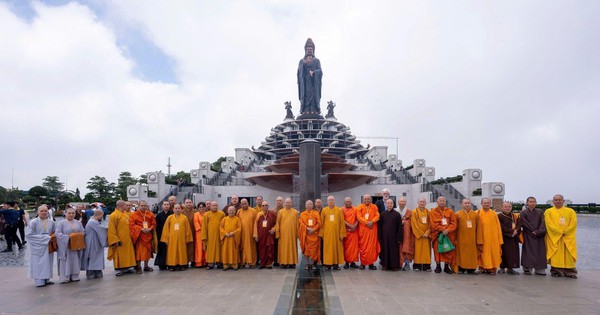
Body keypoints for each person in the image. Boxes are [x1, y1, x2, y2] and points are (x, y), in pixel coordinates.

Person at [545, 194, 577, 279]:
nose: (558, 201)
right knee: (556, 254)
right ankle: (556, 270)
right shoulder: (548, 211)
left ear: (563, 201)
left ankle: (570, 272)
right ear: (553, 201)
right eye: (556, 200)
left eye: (559, 199)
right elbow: (548, 224)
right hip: (555, 237)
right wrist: (559, 232)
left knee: (568, 254)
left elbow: (574, 223)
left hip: (567, 237)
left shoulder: (570, 211)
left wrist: (566, 232)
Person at [26, 205, 55, 287]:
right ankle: (39, 281)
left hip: (48, 245)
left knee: (48, 262)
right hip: (37, 246)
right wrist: (45, 238)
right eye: (41, 211)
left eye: (45, 211)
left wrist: (51, 238)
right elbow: (29, 235)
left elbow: (54, 232)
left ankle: (47, 279)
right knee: (38, 263)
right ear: (37, 212)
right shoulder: (33, 222)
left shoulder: (51, 222)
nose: (43, 213)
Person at [107, 200, 136, 276]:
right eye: (125, 205)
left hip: (128, 238)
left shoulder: (126, 214)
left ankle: (127, 267)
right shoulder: (114, 215)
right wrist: (115, 240)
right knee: (119, 254)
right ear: (121, 206)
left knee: (128, 253)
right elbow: (111, 229)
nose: (127, 207)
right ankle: (119, 269)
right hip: (119, 239)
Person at [55, 207, 84, 283]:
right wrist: (68, 237)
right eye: (69, 213)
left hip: (75, 246)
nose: (71, 215)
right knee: (65, 261)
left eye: (73, 213)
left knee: (75, 260)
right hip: (65, 246)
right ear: (65, 214)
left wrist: (77, 237)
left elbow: (83, 232)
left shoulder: (78, 222)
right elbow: (57, 233)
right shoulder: (61, 223)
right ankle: (65, 277)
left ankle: (75, 276)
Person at [429, 196, 457, 274]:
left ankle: (446, 267)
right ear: (437, 202)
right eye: (440, 201)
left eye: (443, 201)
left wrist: (448, 230)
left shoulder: (450, 211)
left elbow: (454, 223)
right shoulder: (433, 212)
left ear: (445, 202)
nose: (442, 202)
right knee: (437, 250)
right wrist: (442, 229)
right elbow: (433, 224)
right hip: (437, 234)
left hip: (448, 234)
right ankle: (438, 266)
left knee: (447, 250)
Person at [161, 204, 193, 271]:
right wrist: (166, 239)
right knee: (172, 252)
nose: (177, 210)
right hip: (172, 239)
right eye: (176, 208)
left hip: (182, 238)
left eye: (179, 208)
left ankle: (182, 264)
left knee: (182, 252)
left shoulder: (184, 217)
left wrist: (187, 238)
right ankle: (172, 265)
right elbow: (166, 229)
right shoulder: (170, 218)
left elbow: (188, 229)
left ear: (181, 210)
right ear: (173, 209)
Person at [520, 196, 547, 275]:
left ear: (536, 203)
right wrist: (532, 231)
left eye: (534, 202)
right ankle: (527, 268)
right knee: (528, 252)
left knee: (540, 252)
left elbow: (543, 223)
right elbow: (524, 223)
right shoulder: (523, 212)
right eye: (530, 202)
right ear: (527, 203)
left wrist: (539, 231)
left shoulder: (540, 212)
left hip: (539, 235)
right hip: (528, 235)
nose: (532, 203)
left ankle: (540, 269)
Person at [477, 198, 503, 275]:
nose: (486, 204)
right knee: (482, 252)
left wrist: (499, 239)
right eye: (485, 203)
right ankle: (481, 267)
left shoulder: (494, 214)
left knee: (493, 253)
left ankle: (492, 268)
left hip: (492, 238)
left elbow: (498, 227)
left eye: (488, 203)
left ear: (490, 204)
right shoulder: (477, 213)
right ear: (481, 203)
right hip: (481, 237)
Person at [319, 196, 346, 270]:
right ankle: (328, 265)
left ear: (335, 201)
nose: (331, 201)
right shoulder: (324, 210)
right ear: (327, 202)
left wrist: (341, 234)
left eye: (332, 200)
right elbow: (321, 222)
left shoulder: (339, 210)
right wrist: (321, 234)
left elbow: (342, 223)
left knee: (336, 249)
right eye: (329, 200)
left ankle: (336, 265)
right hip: (327, 234)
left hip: (337, 234)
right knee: (328, 250)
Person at [129, 200, 156, 273]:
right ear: (139, 206)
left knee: (147, 252)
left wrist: (150, 229)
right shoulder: (134, 215)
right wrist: (141, 229)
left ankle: (146, 266)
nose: (144, 207)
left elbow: (154, 223)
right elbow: (132, 225)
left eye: (145, 206)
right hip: (139, 235)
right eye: (142, 206)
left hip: (148, 235)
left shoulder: (150, 214)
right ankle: (138, 267)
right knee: (139, 252)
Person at [297, 38, 323, 115]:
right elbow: (299, 73)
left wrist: (314, 72)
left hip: (314, 83)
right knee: (306, 95)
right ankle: (305, 109)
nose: (309, 50)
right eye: (308, 49)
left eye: (311, 49)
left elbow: (320, 71)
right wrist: (303, 65)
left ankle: (314, 108)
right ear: (305, 50)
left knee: (313, 95)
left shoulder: (317, 61)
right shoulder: (301, 61)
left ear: (313, 50)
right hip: (305, 82)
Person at [455, 199, 480, 274]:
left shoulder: (475, 214)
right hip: (461, 238)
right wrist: (455, 238)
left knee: (472, 254)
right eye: (465, 203)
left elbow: (479, 227)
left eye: (468, 203)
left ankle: (471, 269)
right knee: (461, 253)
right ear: (462, 204)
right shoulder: (457, 214)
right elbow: (455, 227)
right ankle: (461, 268)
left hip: (472, 238)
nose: (467, 204)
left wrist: (478, 238)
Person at [82, 209, 108, 280]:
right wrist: (110, 229)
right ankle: (91, 274)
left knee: (96, 258)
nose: (102, 217)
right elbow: (102, 230)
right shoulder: (92, 222)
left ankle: (97, 272)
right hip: (92, 243)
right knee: (92, 258)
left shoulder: (93, 221)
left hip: (95, 242)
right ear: (99, 215)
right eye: (102, 216)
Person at [356, 195, 380, 270]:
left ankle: (371, 263)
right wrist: (366, 223)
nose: (367, 200)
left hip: (372, 228)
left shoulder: (374, 206)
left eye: (368, 199)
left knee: (371, 247)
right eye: (365, 199)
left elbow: (377, 215)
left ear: (371, 200)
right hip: (363, 229)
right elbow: (359, 217)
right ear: (363, 200)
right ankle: (362, 263)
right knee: (363, 246)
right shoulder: (359, 207)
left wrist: (372, 221)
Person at [379, 199, 402, 271]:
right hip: (384, 237)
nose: (389, 205)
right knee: (384, 251)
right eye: (388, 203)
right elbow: (379, 226)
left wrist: (399, 238)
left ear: (393, 204)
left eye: (391, 203)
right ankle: (385, 265)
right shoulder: (382, 214)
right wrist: (380, 236)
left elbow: (399, 227)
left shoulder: (397, 214)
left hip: (394, 237)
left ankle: (394, 266)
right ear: (386, 204)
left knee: (394, 251)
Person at [498, 202, 521, 275]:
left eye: (509, 206)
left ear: (511, 207)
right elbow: (501, 227)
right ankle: (502, 268)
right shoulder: (499, 216)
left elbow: (519, 224)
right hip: (503, 237)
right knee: (503, 253)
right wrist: (511, 232)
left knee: (512, 253)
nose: (507, 208)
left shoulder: (515, 216)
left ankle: (510, 268)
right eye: (505, 207)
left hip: (513, 238)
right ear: (502, 207)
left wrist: (516, 230)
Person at [201, 201, 225, 269]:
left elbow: (224, 224)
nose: (215, 207)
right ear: (210, 206)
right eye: (213, 205)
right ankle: (210, 263)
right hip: (210, 236)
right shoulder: (207, 215)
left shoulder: (222, 214)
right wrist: (204, 236)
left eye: (216, 205)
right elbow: (204, 226)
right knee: (210, 249)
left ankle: (219, 262)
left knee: (219, 249)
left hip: (219, 235)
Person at [275, 198, 299, 269]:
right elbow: (277, 223)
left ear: (291, 203)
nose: (288, 204)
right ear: (284, 203)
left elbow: (297, 224)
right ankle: (283, 263)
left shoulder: (295, 212)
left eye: (289, 202)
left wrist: (297, 234)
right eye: (286, 202)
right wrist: (277, 233)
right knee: (283, 249)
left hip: (292, 234)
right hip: (283, 235)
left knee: (292, 248)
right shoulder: (281, 212)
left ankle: (292, 263)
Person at [254, 201, 277, 269]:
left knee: (270, 248)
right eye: (263, 205)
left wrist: (274, 229)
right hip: (261, 235)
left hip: (269, 234)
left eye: (266, 205)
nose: (264, 207)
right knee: (262, 249)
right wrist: (256, 235)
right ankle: (263, 263)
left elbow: (277, 223)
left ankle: (269, 264)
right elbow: (255, 225)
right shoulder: (258, 214)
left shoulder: (273, 214)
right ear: (261, 207)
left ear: (268, 206)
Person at [411, 197, 432, 271]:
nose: (422, 203)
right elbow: (414, 224)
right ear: (418, 202)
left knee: (426, 251)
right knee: (418, 250)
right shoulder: (414, 212)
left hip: (426, 235)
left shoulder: (429, 212)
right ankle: (417, 265)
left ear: (426, 203)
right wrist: (420, 233)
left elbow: (431, 224)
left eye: (423, 202)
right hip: (418, 235)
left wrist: (427, 232)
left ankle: (427, 266)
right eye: (420, 202)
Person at [299, 200, 321, 270]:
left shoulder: (316, 213)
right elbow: (301, 223)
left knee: (314, 250)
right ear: (305, 205)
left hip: (314, 234)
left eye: (310, 204)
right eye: (308, 204)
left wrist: (313, 229)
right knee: (306, 249)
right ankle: (308, 263)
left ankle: (313, 263)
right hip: (306, 234)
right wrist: (308, 229)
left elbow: (319, 223)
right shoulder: (302, 214)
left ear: (313, 205)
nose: (309, 205)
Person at [220, 206, 242, 271]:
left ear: (235, 211)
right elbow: (221, 228)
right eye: (230, 210)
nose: (231, 211)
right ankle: (226, 264)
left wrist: (234, 233)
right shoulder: (224, 219)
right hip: (226, 238)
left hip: (233, 239)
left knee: (234, 251)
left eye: (232, 210)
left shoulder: (237, 219)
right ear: (227, 211)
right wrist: (224, 233)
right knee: (225, 251)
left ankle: (234, 264)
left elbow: (239, 228)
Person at [237, 198, 257, 268]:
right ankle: (243, 262)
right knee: (242, 248)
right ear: (240, 204)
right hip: (242, 234)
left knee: (251, 248)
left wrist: (255, 233)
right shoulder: (239, 212)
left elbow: (256, 223)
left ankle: (252, 263)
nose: (244, 205)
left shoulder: (253, 211)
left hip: (250, 233)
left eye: (245, 203)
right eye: (242, 204)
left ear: (248, 203)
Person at [154, 201, 173, 270]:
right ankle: (162, 264)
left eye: (168, 204)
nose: (166, 206)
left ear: (170, 206)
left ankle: (171, 263)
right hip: (161, 235)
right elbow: (156, 226)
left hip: (171, 235)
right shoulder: (159, 215)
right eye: (165, 205)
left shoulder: (172, 214)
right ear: (162, 206)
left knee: (170, 250)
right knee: (162, 250)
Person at [397, 197, 414, 271]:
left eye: (404, 201)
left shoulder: (410, 212)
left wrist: (405, 222)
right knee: (398, 248)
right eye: (401, 201)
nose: (402, 203)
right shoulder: (395, 211)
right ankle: (398, 263)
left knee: (407, 247)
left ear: (406, 202)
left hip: (407, 234)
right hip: (397, 233)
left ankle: (407, 264)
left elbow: (413, 222)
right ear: (398, 202)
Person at [342, 197, 359, 269]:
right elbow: (342, 220)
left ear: (351, 202)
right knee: (346, 247)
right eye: (347, 201)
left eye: (349, 201)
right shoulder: (341, 210)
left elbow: (358, 218)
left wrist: (354, 226)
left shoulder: (355, 209)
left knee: (354, 247)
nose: (348, 202)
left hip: (354, 231)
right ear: (344, 202)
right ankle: (346, 262)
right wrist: (350, 226)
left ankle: (353, 262)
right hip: (346, 231)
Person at [182, 198, 196, 268]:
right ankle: (185, 261)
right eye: (187, 203)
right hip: (184, 234)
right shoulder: (181, 212)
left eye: (190, 202)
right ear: (184, 204)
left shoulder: (196, 212)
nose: (188, 204)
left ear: (192, 203)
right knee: (185, 248)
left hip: (194, 232)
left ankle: (193, 261)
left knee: (193, 247)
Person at [193, 202, 207, 268]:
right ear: (198, 208)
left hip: (206, 233)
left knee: (205, 247)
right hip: (199, 233)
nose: (201, 208)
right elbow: (196, 222)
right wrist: (201, 229)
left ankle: (205, 261)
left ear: (205, 207)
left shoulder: (207, 214)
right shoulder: (196, 214)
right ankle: (199, 262)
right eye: (200, 207)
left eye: (202, 207)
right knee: (199, 247)